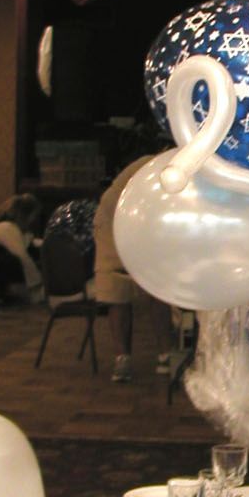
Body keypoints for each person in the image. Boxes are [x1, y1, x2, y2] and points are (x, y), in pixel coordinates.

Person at [93, 156, 173, 384]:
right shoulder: (161, 167)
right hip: (114, 220)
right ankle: (122, 358)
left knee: (158, 290)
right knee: (117, 290)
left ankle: (165, 354)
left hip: (145, 223)